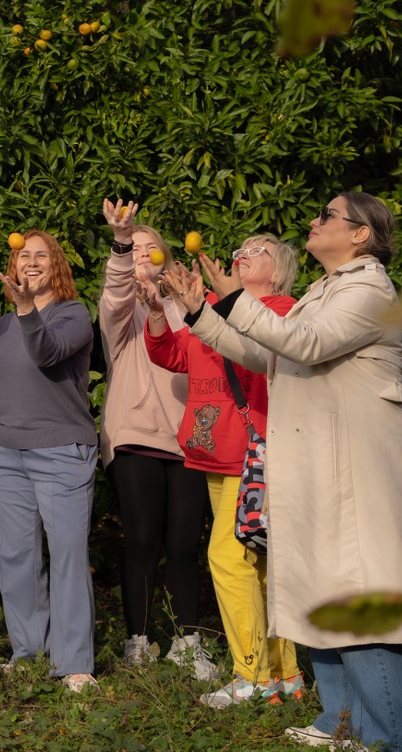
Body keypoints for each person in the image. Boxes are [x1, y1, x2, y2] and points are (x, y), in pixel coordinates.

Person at [170, 193, 402, 750]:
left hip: (355, 474)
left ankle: (396, 741)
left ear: (360, 235)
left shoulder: (369, 289)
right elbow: (271, 356)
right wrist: (201, 313)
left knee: (367, 607)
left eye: (326, 216)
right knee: (324, 594)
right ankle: (349, 727)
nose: (312, 222)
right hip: (320, 469)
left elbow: (308, 342)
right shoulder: (326, 289)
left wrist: (231, 298)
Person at [144, 233, 305, 706]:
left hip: (251, 454)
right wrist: (158, 310)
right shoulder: (211, 307)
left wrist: (211, 305)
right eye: (242, 247)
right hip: (214, 454)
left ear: (278, 270)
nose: (244, 253)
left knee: (229, 560)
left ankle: (251, 676)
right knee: (255, 564)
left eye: (259, 250)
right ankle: (285, 675)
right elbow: (171, 353)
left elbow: (261, 350)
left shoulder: (283, 308)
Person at [97, 200, 216, 680]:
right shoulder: (122, 314)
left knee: (186, 544)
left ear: (167, 258)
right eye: (134, 249)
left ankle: (188, 641)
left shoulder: (190, 307)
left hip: (189, 438)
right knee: (142, 540)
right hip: (136, 435)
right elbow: (113, 295)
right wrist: (121, 244)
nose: (142, 255)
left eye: (150, 248)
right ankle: (139, 640)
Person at [0, 229, 98, 693]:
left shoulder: (74, 314)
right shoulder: (2, 326)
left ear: (57, 266)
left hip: (62, 451)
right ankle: (28, 651)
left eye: (40, 255)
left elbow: (46, 353)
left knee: (67, 555)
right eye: (23, 255)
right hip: (3, 455)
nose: (30, 261)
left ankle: (74, 663)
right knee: (15, 557)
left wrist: (27, 309)